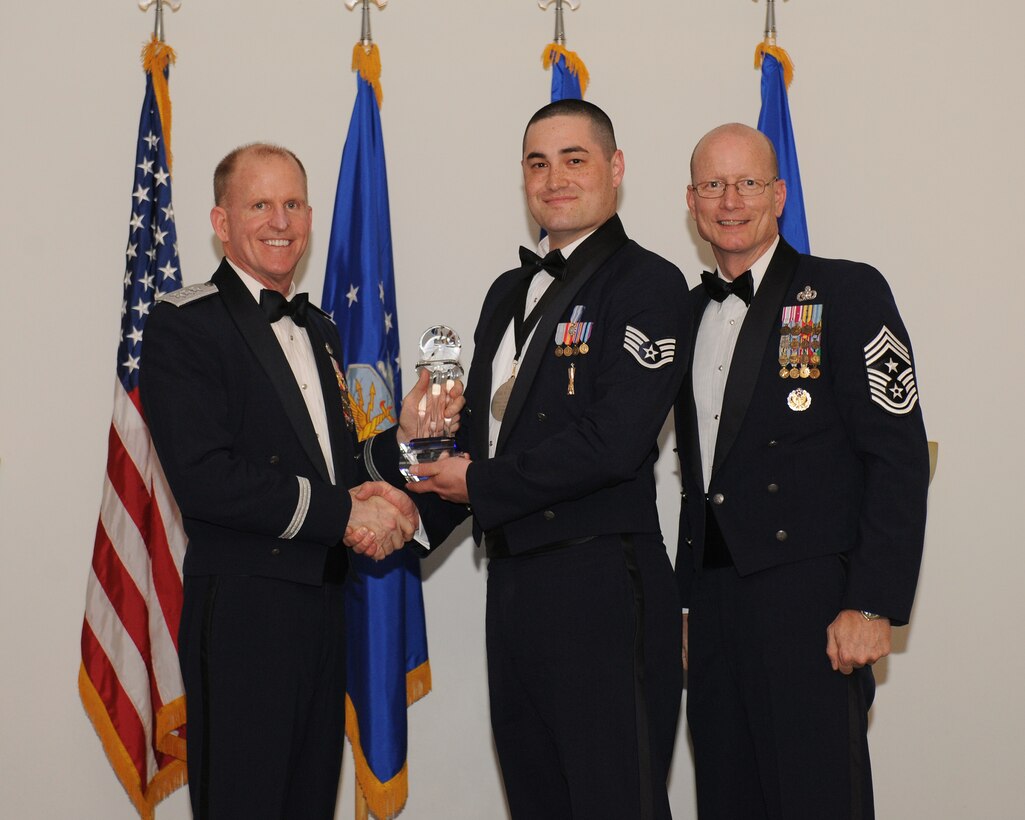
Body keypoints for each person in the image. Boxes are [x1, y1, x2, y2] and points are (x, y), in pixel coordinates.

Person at [140, 143, 458, 819]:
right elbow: (206, 480)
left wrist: (403, 441)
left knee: (309, 803)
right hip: (243, 616)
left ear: (310, 217)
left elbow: (339, 474)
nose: (278, 220)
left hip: (320, 613)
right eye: (259, 204)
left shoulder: (320, 331)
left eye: (291, 204)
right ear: (221, 223)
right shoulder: (184, 323)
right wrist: (344, 518)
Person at [398, 99, 691, 819]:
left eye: (574, 159)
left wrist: (478, 481)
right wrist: (402, 494)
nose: (553, 178)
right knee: (538, 799)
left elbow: (613, 442)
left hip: (602, 585)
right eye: (537, 162)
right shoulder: (507, 291)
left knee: (612, 801)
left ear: (614, 170)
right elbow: (471, 442)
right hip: (516, 583)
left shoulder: (648, 284)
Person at [675, 123, 929, 819]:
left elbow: (897, 456)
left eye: (747, 183)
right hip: (716, 607)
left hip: (813, 607)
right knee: (726, 800)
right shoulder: (685, 314)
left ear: (778, 195)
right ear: (690, 201)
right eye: (712, 185)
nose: (730, 201)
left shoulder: (845, 293)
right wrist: (687, 600)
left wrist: (871, 602)